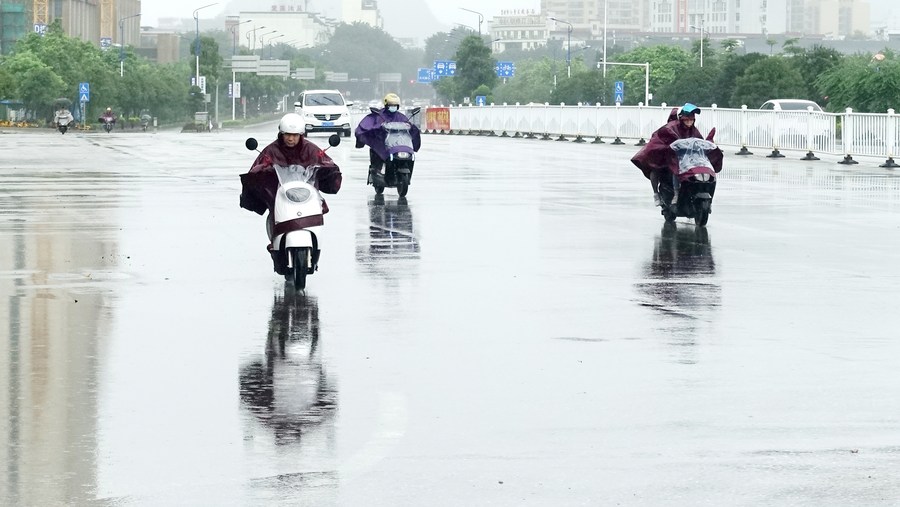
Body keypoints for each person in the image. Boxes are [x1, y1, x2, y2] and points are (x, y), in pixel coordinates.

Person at [239, 113, 343, 270]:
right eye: (287, 134)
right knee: (272, 210)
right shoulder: (271, 151)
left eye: (295, 135)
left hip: (306, 195)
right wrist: (262, 170)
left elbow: (326, 161)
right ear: (281, 133)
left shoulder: (311, 149)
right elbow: (256, 168)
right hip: (280, 195)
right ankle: (275, 243)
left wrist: (328, 168)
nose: (290, 139)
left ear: (301, 135)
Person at [631, 103, 706, 206]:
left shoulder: (693, 130)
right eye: (687, 120)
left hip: (686, 158)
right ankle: (660, 194)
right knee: (658, 168)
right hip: (666, 156)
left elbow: (700, 141)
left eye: (691, 120)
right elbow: (659, 139)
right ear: (681, 119)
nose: (689, 122)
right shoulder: (670, 127)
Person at [354, 92, 421, 178]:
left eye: (395, 105)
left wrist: (412, 127)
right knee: (377, 155)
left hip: (397, 144)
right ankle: (376, 173)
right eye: (391, 105)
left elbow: (408, 127)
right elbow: (367, 126)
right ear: (386, 105)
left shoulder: (401, 117)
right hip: (382, 143)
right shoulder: (378, 115)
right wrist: (379, 128)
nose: (393, 107)